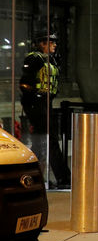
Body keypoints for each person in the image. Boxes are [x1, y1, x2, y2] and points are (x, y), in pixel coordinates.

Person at [19, 32, 71, 189]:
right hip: (36, 104)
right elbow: (24, 83)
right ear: (42, 43)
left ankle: (41, 176)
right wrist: (36, 95)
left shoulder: (50, 59)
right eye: (51, 42)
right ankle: (62, 177)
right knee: (49, 140)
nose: (54, 45)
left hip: (44, 103)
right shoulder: (35, 58)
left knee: (44, 141)